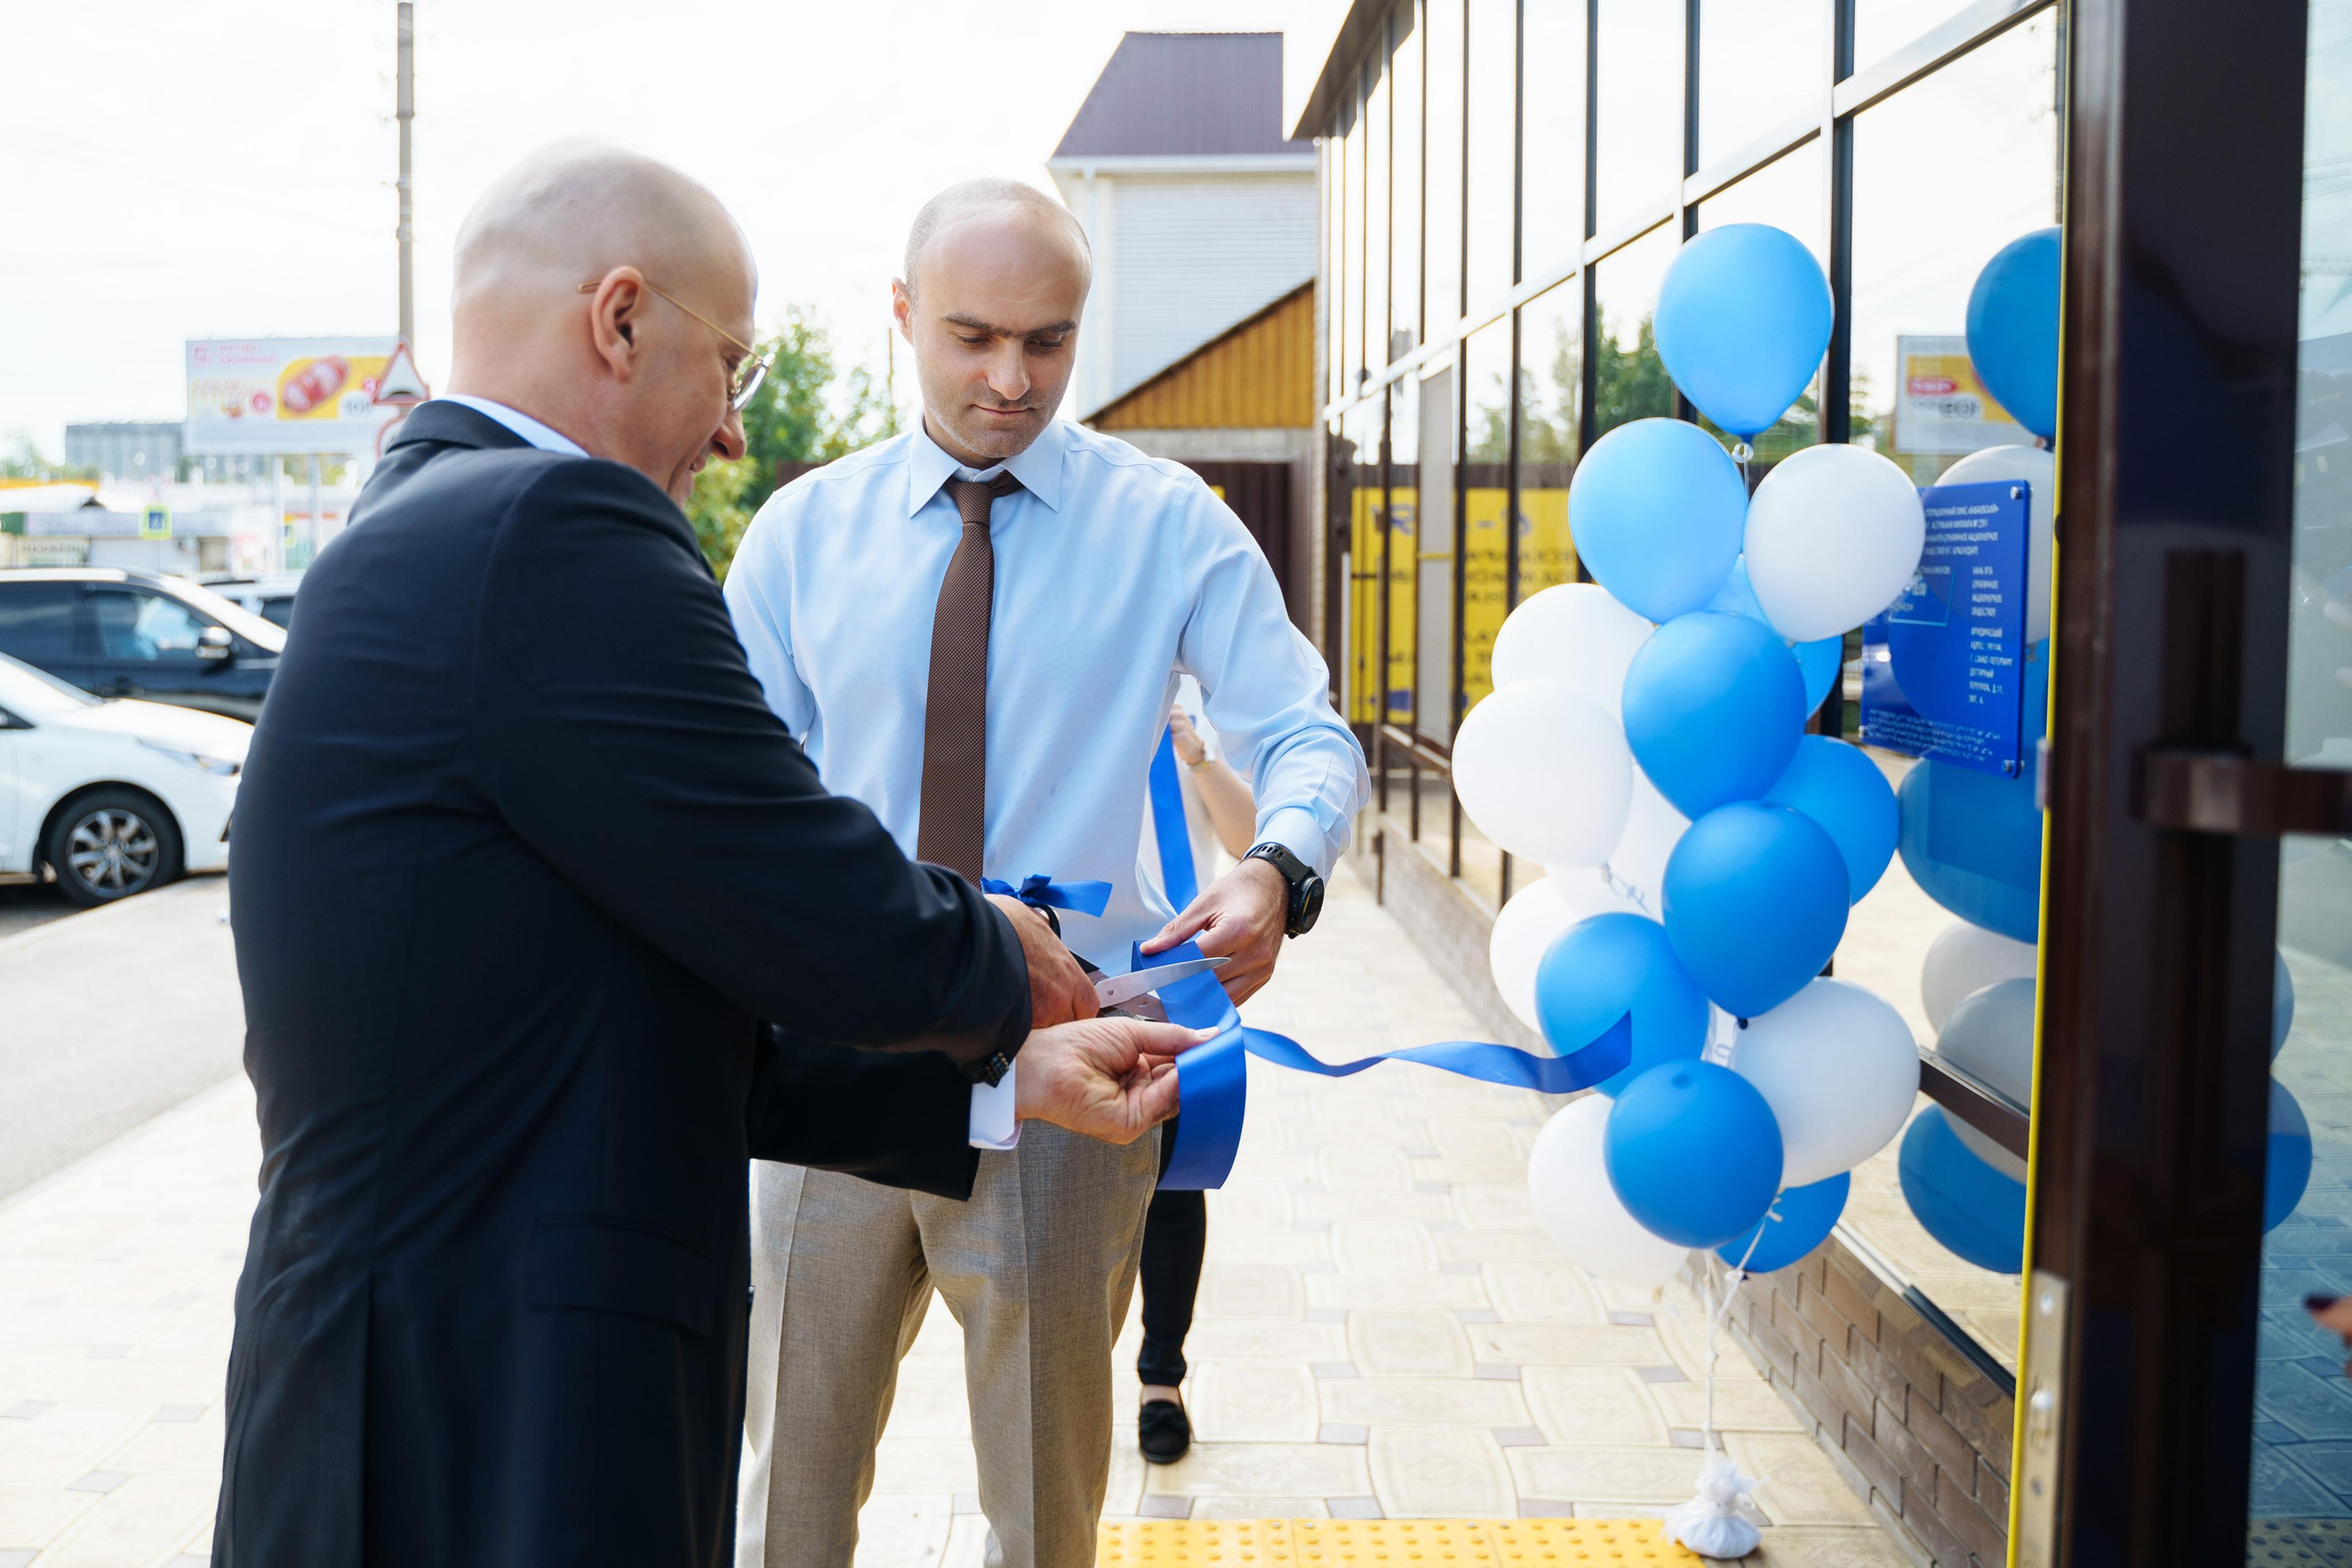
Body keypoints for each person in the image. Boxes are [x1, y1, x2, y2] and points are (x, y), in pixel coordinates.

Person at [211, 143, 1201, 1568]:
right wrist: (1014, 962)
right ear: (618, 319)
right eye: (728, 364)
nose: (735, 429)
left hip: (396, 1370)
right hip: (504, 1403)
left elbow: (635, 1005)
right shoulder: (554, 529)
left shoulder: (416, 523)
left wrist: (1003, 1076)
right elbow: (790, 883)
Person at [724, 178, 1370, 1568]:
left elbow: (1303, 724)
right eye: (972, 336)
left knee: (1045, 1508)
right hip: (837, 1061)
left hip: (1070, 1066)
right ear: (901, 316)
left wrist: (1280, 862)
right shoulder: (799, 535)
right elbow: (736, 802)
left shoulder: (1171, 523)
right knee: (788, 1489)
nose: (1011, 379)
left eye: (1048, 341)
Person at [1136, 704, 1257, 1464]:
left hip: (1178, 978)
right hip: (1073, 972)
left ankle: (1160, 1378)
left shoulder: (1193, 719)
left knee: (1176, 1184)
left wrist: (1199, 753)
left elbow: (1248, 842)